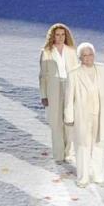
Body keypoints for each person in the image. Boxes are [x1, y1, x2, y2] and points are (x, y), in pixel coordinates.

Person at [68, 44, 104, 186]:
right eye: (85, 55)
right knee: (83, 146)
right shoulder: (74, 74)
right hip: (83, 115)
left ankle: (98, 176)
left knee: (99, 145)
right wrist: (69, 117)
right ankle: (83, 178)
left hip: (100, 114)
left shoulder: (102, 69)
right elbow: (69, 98)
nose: (88, 58)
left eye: (90, 54)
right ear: (80, 57)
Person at [40, 24, 80, 168]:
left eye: (63, 34)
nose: (60, 37)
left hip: (69, 86)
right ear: (53, 36)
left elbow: (77, 73)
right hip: (53, 89)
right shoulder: (46, 52)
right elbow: (43, 75)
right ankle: (58, 154)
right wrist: (44, 95)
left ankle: (68, 153)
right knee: (56, 122)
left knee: (69, 121)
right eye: (57, 34)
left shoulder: (71, 51)